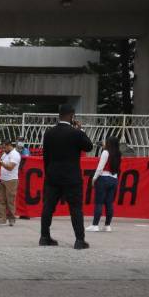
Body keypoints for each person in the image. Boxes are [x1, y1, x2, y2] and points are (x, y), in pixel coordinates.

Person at [40, 104, 93, 249]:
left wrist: (49, 173)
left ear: (59, 115)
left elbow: (46, 156)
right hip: (71, 177)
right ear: (72, 116)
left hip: (53, 175)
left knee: (48, 207)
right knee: (75, 208)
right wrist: (80, 130)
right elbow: (89, 146)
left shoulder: (49, 133)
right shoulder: (75, 133)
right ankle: (79, 240)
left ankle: (44, 237)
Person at [87, 135, 122, 232]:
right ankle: (107, 225)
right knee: (109, 203)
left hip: (103, 179)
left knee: (99, 202)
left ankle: (95, 225)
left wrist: (94, 178)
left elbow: (100, 167)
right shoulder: (118, 154)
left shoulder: (105, 152)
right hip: (114, 179)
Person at [0, 139, 21, 226]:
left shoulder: (15, 155)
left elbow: (10, 167)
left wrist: (1, 163)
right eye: (2, 148)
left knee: (10, 201)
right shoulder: (5, 154)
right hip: (3, 179)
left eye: (4, 147)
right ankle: (2, 219)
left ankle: (11, 219)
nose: (3, 149)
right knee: (1, 200)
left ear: (9, 145)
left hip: (11, 180)